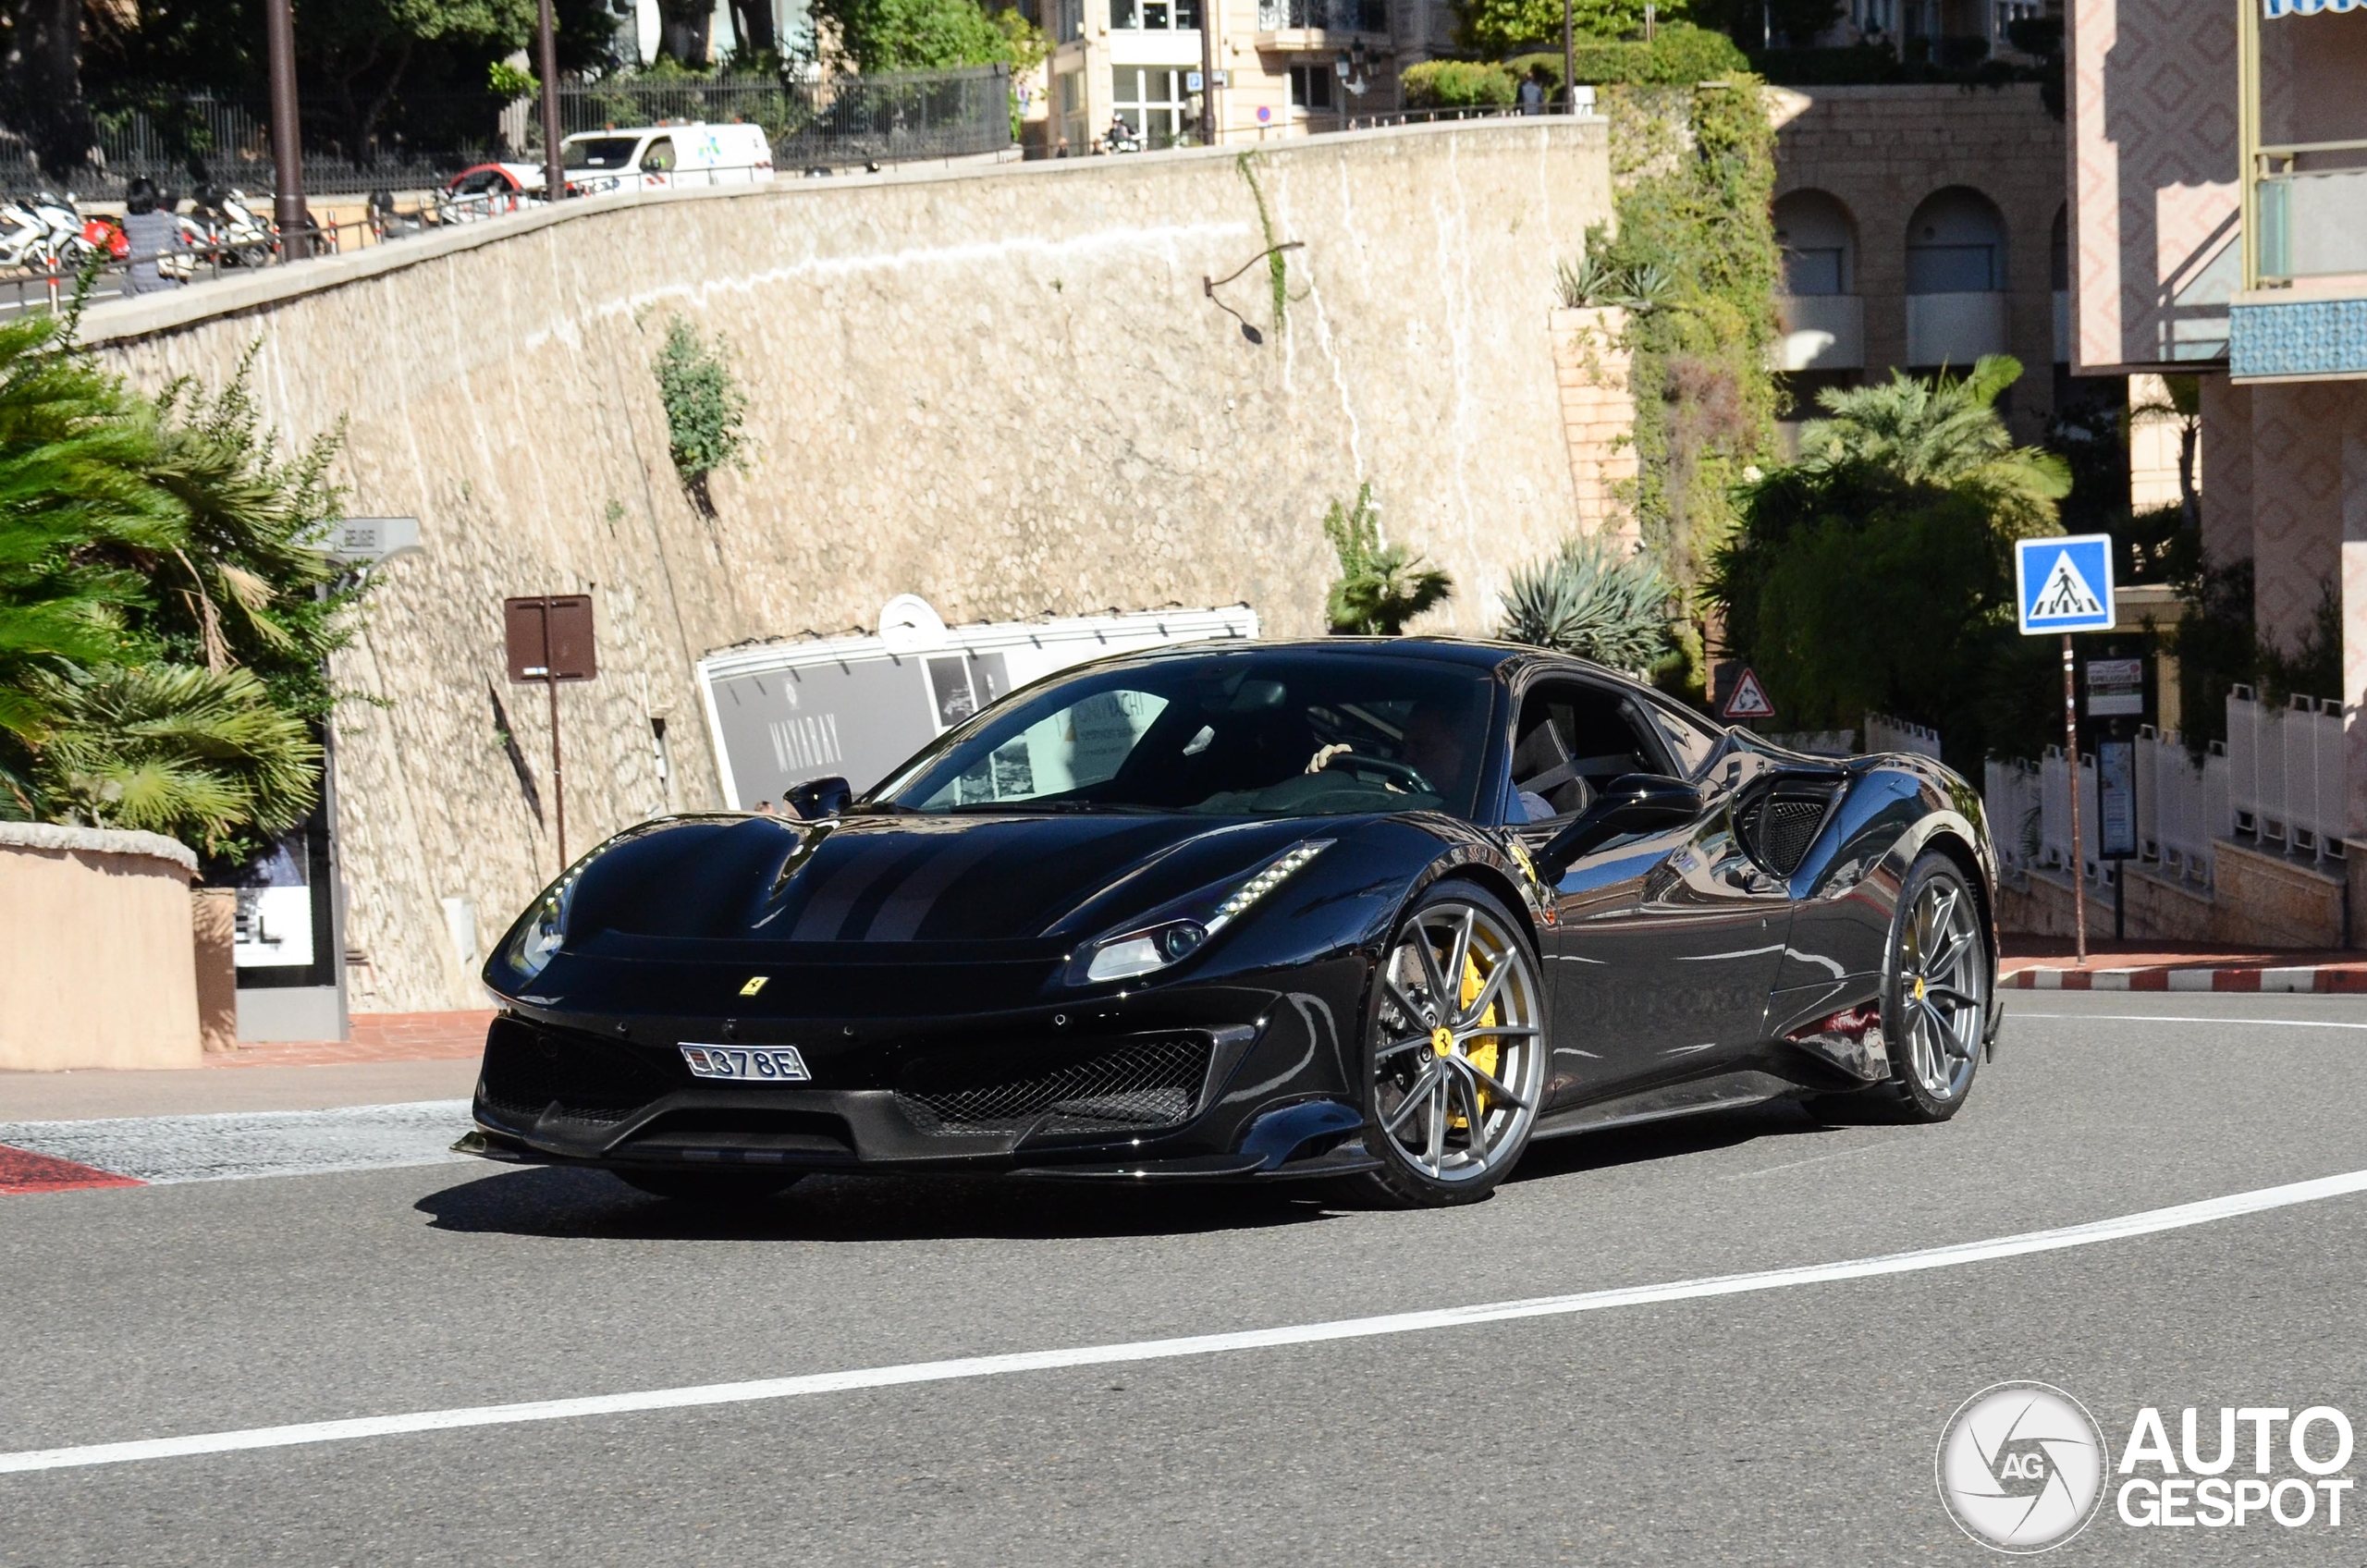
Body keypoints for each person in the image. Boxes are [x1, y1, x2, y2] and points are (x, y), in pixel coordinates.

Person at [120, 177, 184, 295]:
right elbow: (183, 246)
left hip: (137, 279)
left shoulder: (127, 220)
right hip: (166, 277)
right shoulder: (168, 218)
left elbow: (125, 234)